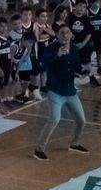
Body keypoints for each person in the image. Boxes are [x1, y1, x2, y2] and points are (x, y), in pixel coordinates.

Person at [31, 30, 88, 161]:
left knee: (81, 120)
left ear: (71, 35)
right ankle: (39, 149)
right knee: (54, 119)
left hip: (70, 91)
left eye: (67, 33)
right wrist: (57, 55)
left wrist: (83, 70)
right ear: (57, 35)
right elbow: (43, 65)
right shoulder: (51, 49)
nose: (65, 35)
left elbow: (76, 66)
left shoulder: (74, 49)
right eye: (62, 33)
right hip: (55, 91)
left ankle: (74, 143)